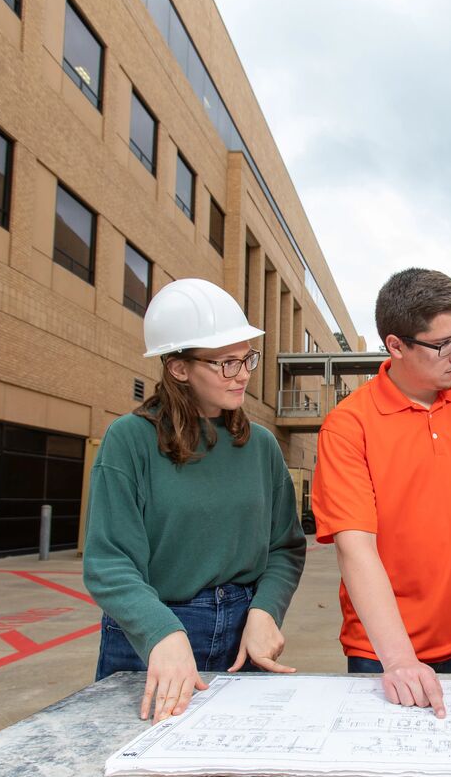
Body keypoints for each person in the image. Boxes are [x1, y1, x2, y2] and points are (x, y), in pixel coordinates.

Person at [312, 268, 451, 717]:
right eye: (442, 345)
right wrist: (398, 660)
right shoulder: (349, 426)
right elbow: (356, 549)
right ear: (396, 345)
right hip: (383, 652)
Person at [84, 278, 306, 723]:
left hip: (244, 632)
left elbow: (286, 546)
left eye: (248, 358)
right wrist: (160, 632)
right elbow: (109, 563)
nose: (243, 373)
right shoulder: (129, 441)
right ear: (178, 368)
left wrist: (265, 610)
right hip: (152, 635)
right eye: (226, 362)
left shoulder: (262, 446)